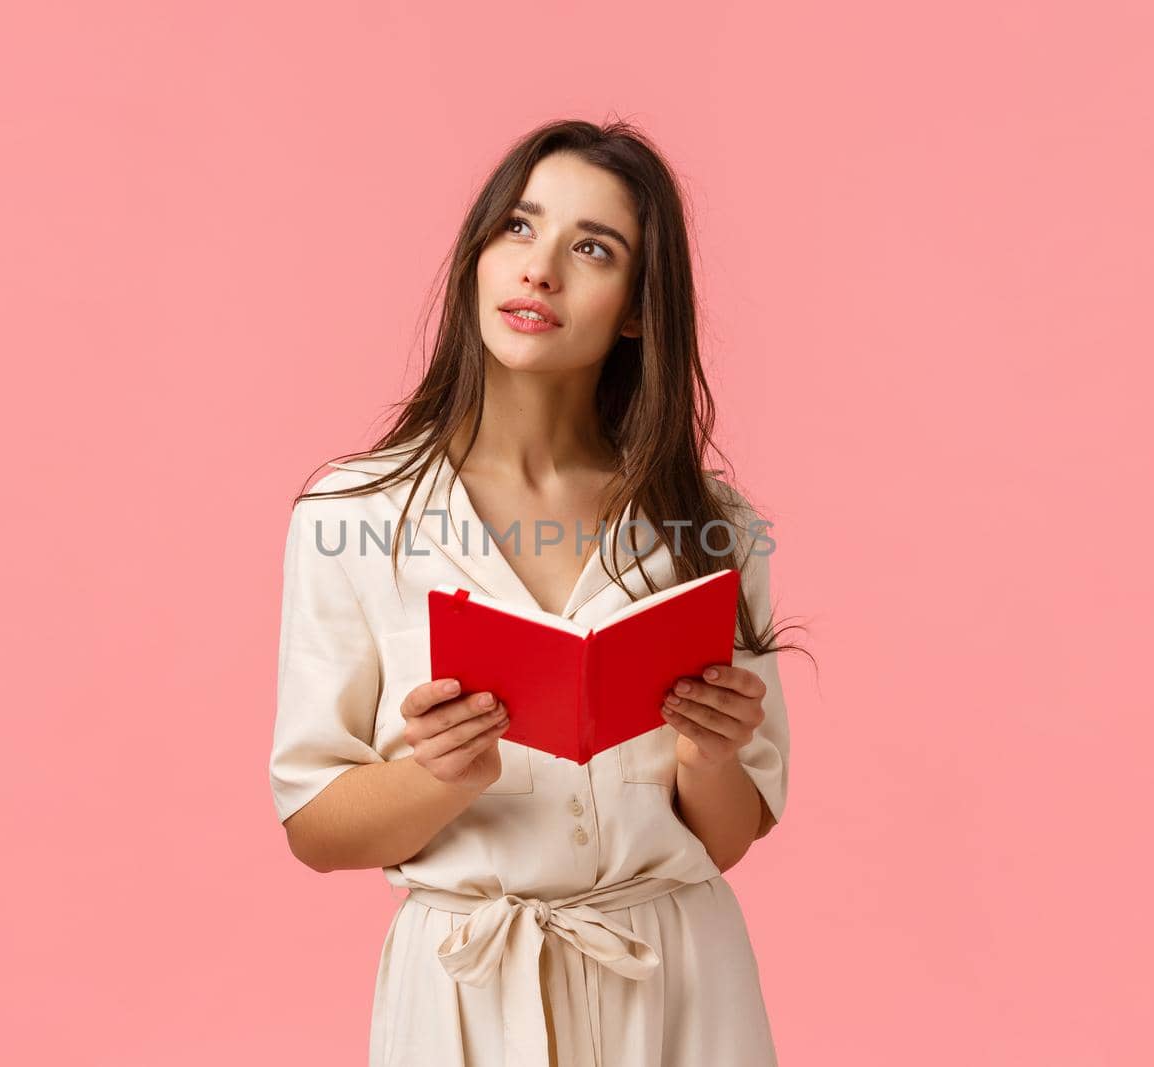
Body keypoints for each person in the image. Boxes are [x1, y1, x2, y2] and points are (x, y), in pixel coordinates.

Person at [268, 118, 809, 1067]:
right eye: (517, 229)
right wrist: (435, 775)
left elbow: (723, 839)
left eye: (591, 247)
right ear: (477, 255)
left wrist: (709, 752)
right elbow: (313, 826)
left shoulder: (708, 523)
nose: (540, 269)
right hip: (467, 996)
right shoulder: (352, 512)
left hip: (680, 986)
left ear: (638, 308)